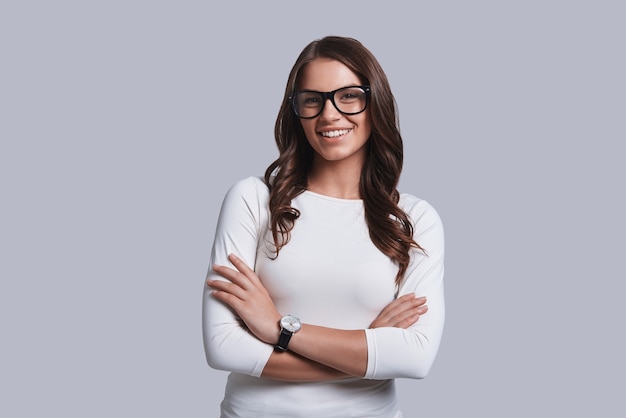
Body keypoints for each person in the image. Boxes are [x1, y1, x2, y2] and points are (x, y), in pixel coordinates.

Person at [202, 35, 445, 418]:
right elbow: (223, 346)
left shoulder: (413, 220)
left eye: (348, 95)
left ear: (374, 102)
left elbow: (415, 356)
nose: (329, 114)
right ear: (296, 111)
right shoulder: (253, 200)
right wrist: (368, 348)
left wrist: (278, 330)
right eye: (312, 100)